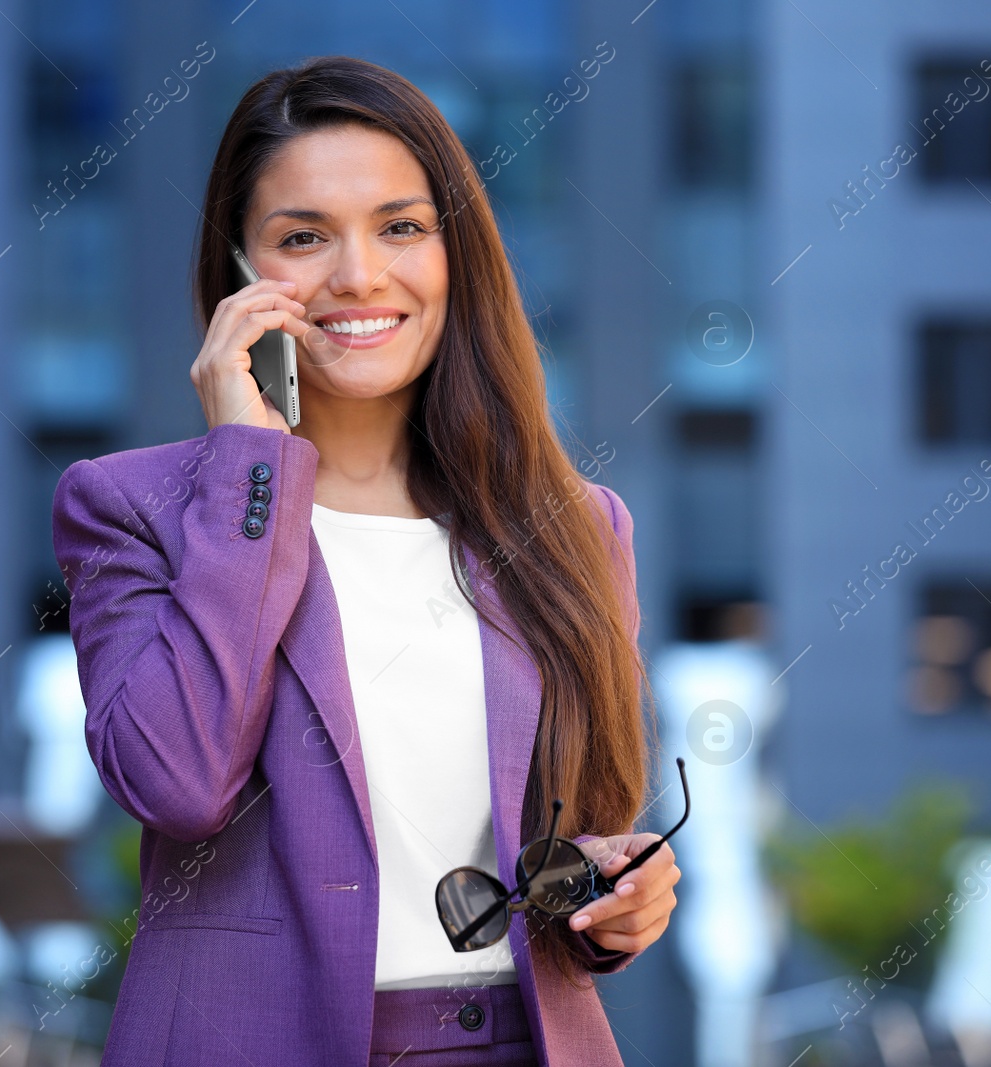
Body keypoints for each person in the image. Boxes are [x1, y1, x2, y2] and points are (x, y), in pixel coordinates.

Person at [51, 55, 679, 1066]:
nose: (357, 275)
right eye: (302, 237)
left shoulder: (575, 524)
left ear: (454, 254)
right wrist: (249, 463)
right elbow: (175, 781)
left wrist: (622, 887)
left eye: (400, 227)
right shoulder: (131, 508)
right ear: (239, 276)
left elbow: (591, 819)